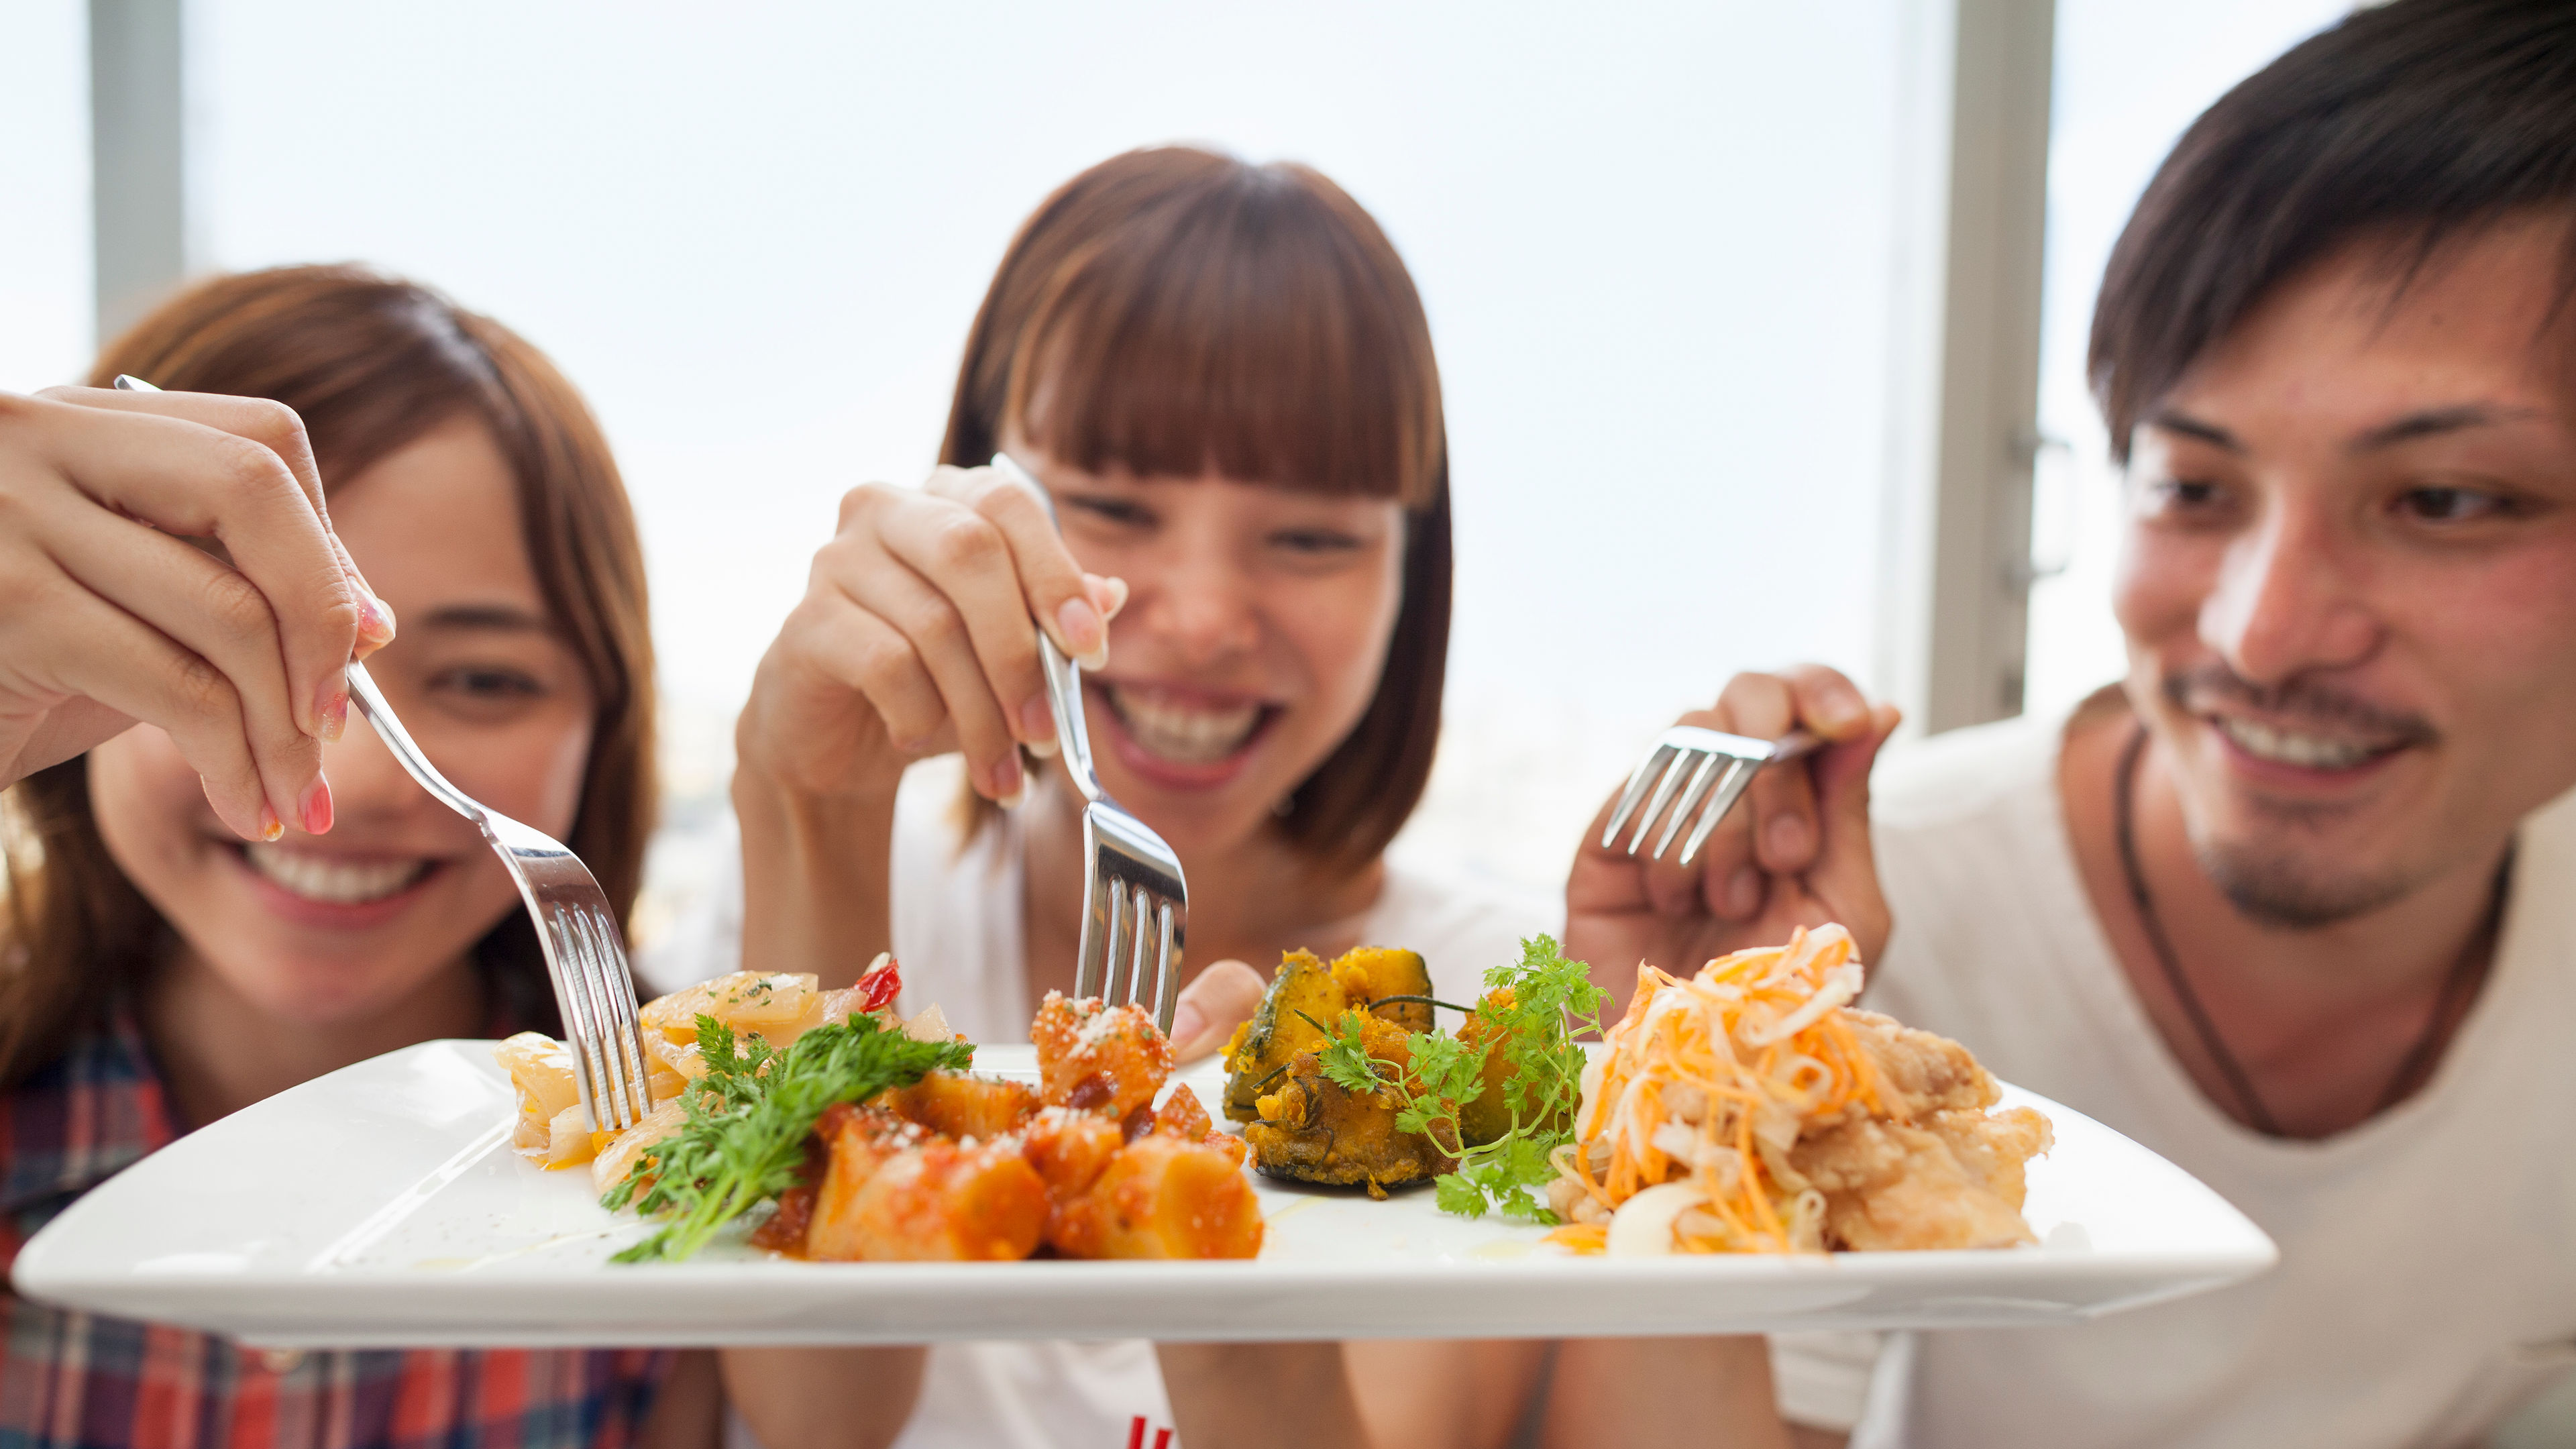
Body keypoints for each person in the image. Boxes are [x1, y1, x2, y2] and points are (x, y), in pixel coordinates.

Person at [1566, 2, 2576, 1444]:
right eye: (2192, 486)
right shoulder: (1837, 947)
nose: (2261, 633)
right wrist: (1690, 1089)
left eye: (2448, 501)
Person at [680, 146, 1780, 1449]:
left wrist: (1698, 1071)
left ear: (1409, 578)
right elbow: (813, 1419)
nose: (1199, 621)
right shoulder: (807, 911)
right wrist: (808, 809)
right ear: (975, 507)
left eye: (1310, 537)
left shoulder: (1491, 1009)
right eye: (1104, 504)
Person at [0, 266, 717, 1449]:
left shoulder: (683, 1170)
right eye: (238, 644)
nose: (367, 783)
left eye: (486, 680)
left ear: (609, 730)